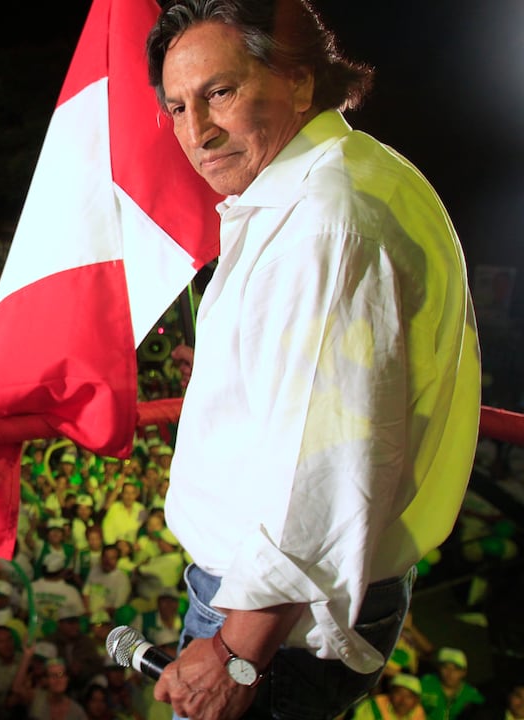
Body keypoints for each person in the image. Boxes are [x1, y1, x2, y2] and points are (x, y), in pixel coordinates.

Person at [144, 1, 482, 718]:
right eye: (176, 106)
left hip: (275, 627)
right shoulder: (352, 174)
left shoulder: (324, 218)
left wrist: (236, 652)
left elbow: (322, 474)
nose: (195, 131)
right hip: (289, 611)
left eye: (220, 93)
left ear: (300, 81)